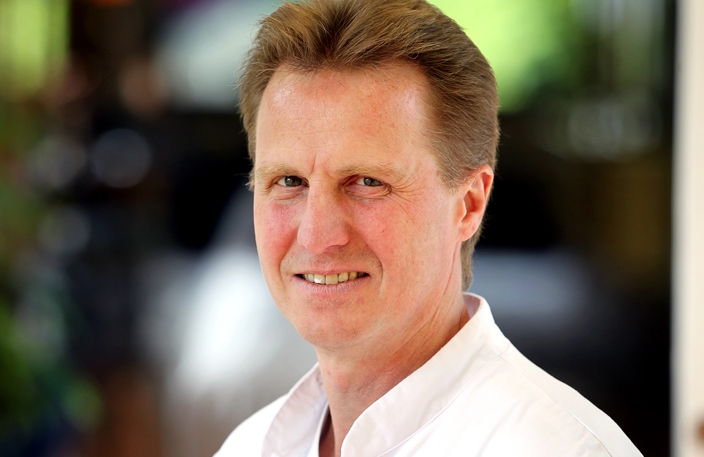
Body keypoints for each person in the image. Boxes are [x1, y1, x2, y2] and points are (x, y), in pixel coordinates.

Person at [216, 0, 642, 455]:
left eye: (367, 182)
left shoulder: (558, 448)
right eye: (289, 181)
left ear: (469, 204)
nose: (316, 236)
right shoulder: (249, 446)